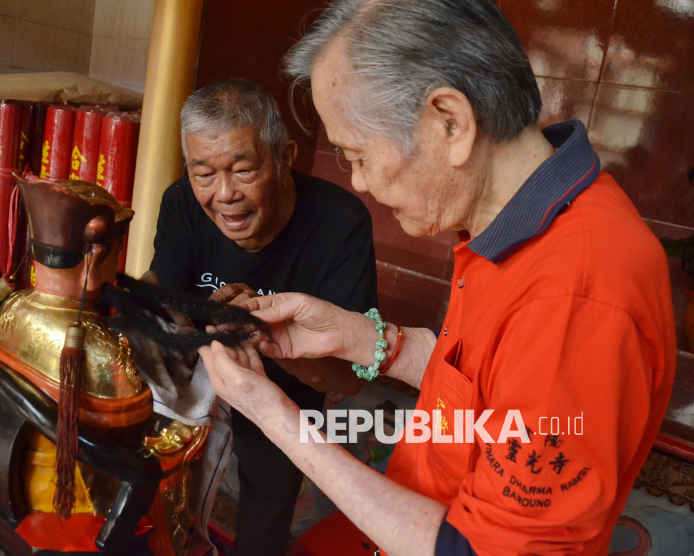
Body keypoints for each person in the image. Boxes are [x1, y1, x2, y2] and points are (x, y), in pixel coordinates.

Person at [197, 1, 677, 555]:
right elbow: (495, 389)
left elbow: (479, 550)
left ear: (449, 121)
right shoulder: (521, 222)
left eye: (357, 154)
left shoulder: (578, 293)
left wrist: (273, 416)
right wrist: (362, 338)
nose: (359, 182)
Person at [149, 78, 377, 555]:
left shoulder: (340, 224)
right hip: (197, 368)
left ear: (285, 157)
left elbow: (348, 379)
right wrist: (209, 319)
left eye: (244, 169)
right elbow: (167, 298)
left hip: (287, 388)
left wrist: (263, 333)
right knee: (153, 482)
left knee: (265, 517)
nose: (224, 193)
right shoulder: (181, 202)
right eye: (204, 173)